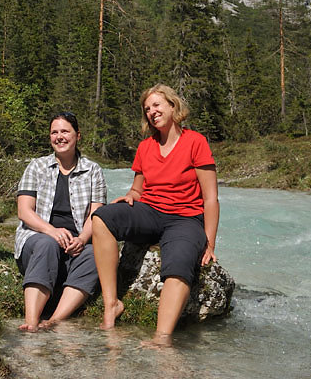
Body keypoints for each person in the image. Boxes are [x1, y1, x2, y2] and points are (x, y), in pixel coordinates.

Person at [91, 84, 219, 345]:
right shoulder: (145, 147)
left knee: (180, 262)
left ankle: (161, 338)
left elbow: (210, 198)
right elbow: (137, 189)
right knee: (102, 217)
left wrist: (210, 241)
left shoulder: (196, 142)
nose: (152, 111)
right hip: (149, 211)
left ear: (173, 106)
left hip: (185, 218)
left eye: (157, 105)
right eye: (147, 109)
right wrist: (131, 196)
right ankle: (111, 304)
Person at [14, 112, 107, 331]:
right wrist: (51, 231)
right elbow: (24, 211)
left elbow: (97, 215)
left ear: (77, 136)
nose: (59, 137)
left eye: (65, 131)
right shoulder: (36, 166)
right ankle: (31, 321)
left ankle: (55, 319)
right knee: (47, 244)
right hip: (38, 240)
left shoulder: (93, 170)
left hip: (74, 245)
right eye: (54, 132)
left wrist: (83, 239)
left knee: (96, 254)